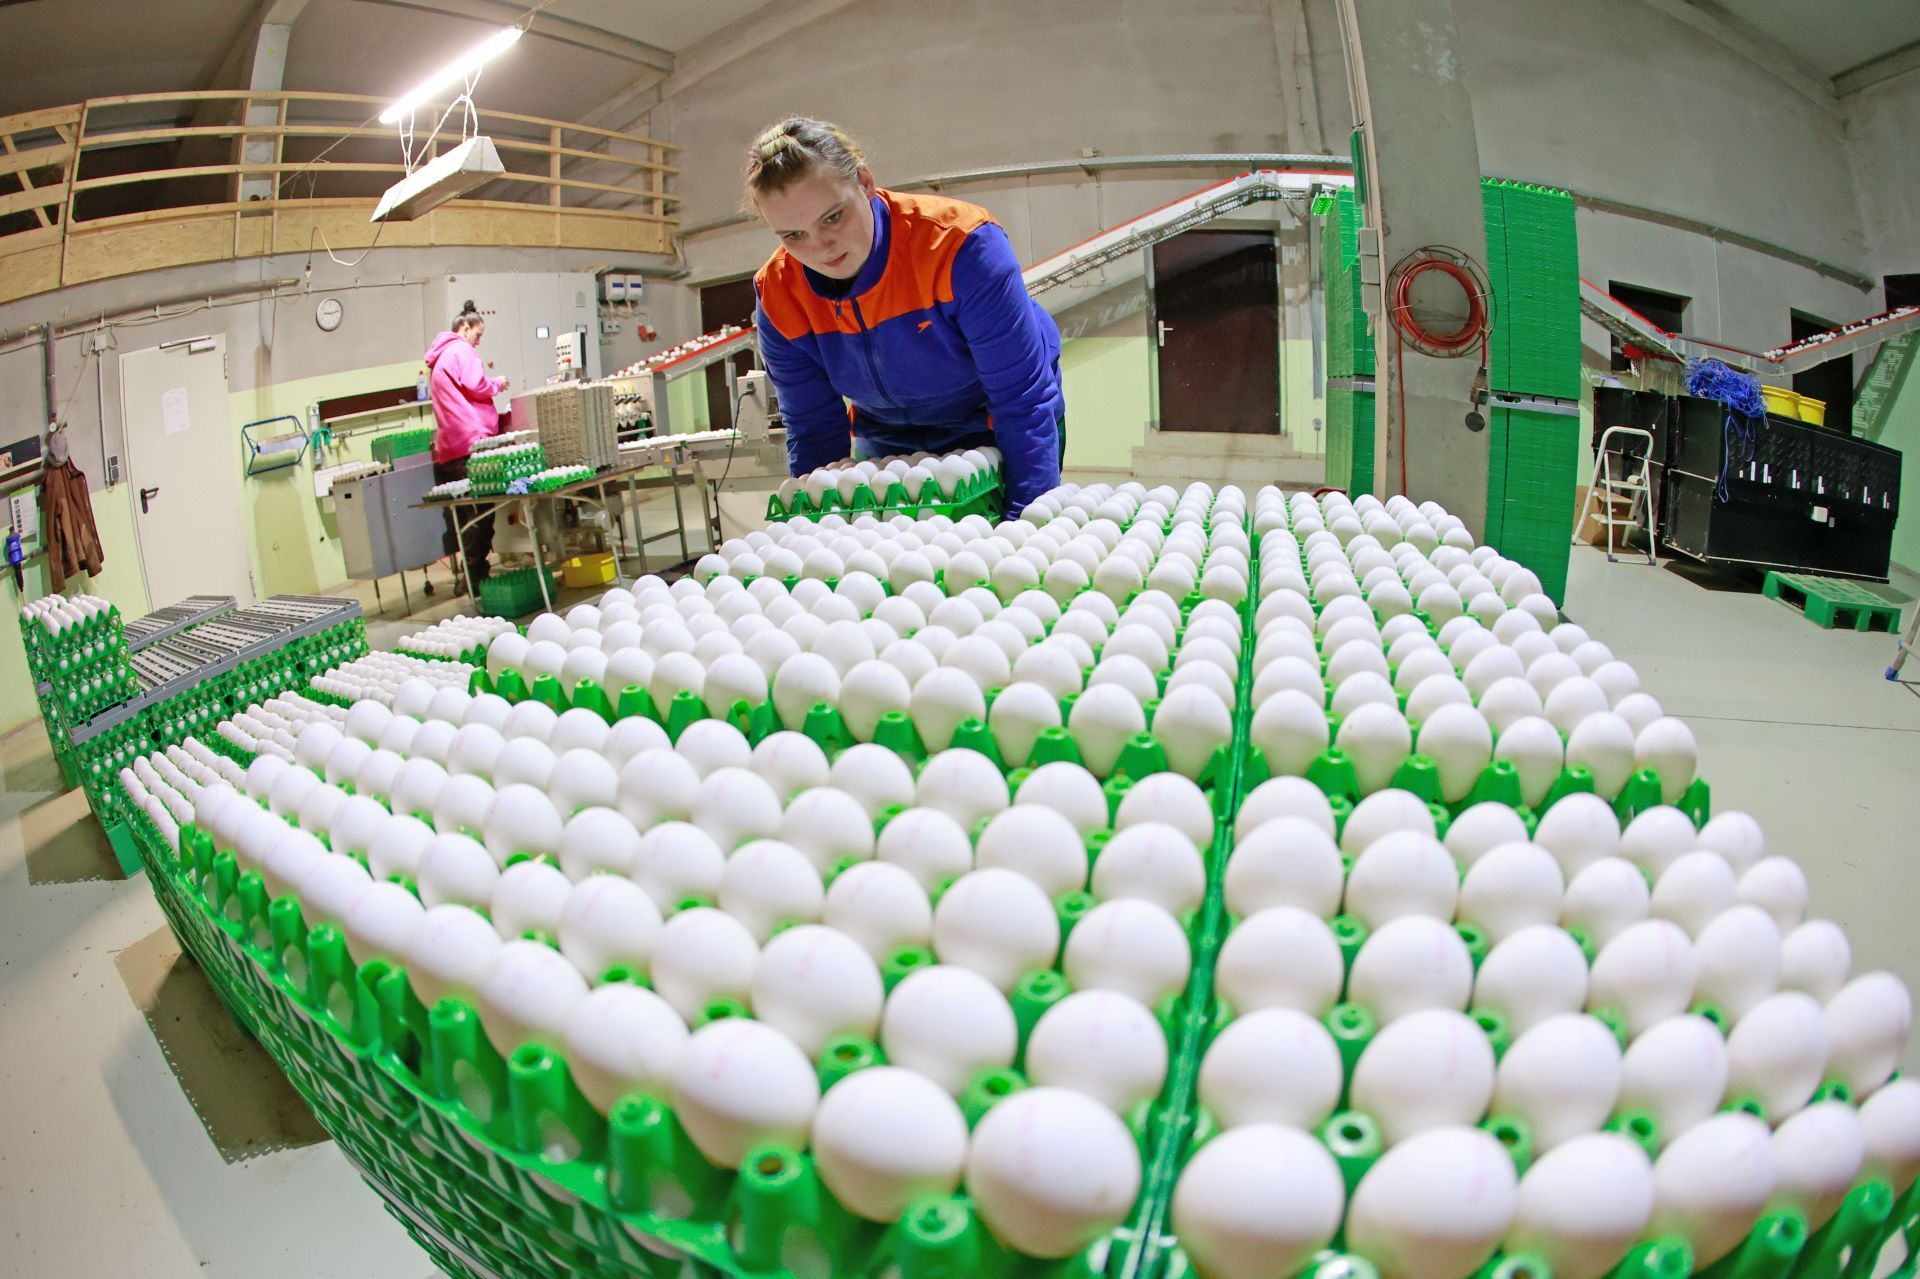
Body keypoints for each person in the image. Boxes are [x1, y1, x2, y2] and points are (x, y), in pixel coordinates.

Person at [746, 118, 1064, 515]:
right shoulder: (780, 294)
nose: (820, 247)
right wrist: (820, 528)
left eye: (832, 218)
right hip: (887, 435)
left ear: (864, 182)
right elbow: (814, 430)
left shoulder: (958, 246)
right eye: (792, 235)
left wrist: (1025, 526)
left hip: (996, 423)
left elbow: (1021, 399)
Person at [425, 301, 509, 589]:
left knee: (465, 516)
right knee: (482, 512)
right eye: (478, 334)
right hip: (470, 443)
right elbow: (477, 385)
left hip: (449, 447)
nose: (478, 341)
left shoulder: (438, 359)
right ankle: (477, 577)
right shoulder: (462, 351)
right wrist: (497, 383)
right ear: (464, 328)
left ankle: (470, 576)